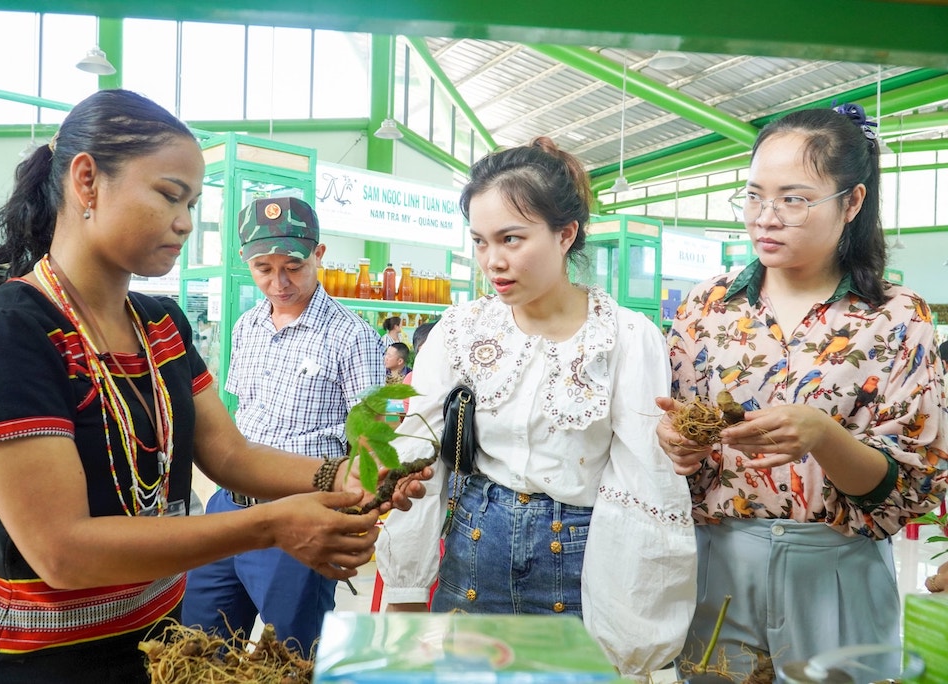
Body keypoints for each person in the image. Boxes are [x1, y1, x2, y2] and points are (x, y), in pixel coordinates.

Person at [0, 89, 426, 684]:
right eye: (170, 195)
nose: (186, 222)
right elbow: (63, 551)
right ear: (87, 181)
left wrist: (341, 477)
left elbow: (227, 453)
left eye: (193, 202)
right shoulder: (12, 337)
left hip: (156, 649)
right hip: (40, 664)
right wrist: (272, 525)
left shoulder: (159, 325)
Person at [375, 137, 697, 683]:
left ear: (565, 234)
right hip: (474, 547)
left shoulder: (623, 337)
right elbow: (419, 450)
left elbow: (643, 482)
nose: (493, 261)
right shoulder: (461, 331)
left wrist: (633, 635)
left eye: (511, 239)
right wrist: (405, 588)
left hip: (578, 559)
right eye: (479, 241)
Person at [655, 103, 948, 680]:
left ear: (853, 202)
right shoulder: (706, 308)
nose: (766, 217)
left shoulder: (895, 317)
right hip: (718, 565)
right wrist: (675, 444)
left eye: (794, 198)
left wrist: (823, 436)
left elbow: (909, 484)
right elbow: (675, 430)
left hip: (837, 570)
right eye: (754, 196)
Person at [182, 196, 387, 657]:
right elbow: (241, 418)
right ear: (244, 263)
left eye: (293, 266)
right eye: (263, 268)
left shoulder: (352, 337)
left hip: (301, 513)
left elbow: (369, 442)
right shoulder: (247, 326)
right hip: (228, 508)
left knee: (290, 656)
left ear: (318, 255)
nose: (279, 282)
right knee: (196, 648)